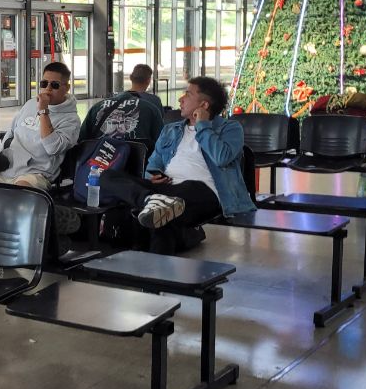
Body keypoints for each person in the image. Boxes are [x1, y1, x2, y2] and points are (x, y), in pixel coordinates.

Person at [98, 76, 255, 255]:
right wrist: (153, 176)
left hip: (203, 191)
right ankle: (150, 202)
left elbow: (221, 157)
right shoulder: (170, 130)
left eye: (188, 94)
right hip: (165, 189)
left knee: (164, 217)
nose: (181, 99)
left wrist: (202, 125)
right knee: (107, 176)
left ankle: (154, 215)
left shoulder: (230, 128)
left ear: (204, 105)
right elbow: (154, 163)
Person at [0, 61, 81, 190]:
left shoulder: (71, 120)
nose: (48, 88)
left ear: (66, 88)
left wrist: (43, 111)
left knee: (19, 194)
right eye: (44, 83)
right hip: (7, 168)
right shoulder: (30, 104)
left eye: (55, 85)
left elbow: (52, 148)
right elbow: (11, 132)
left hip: (36, 173)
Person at [78, 77, 166, 150]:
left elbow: (81, 140)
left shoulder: (97, 107)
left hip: (98, 162)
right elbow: (162, 141)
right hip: (137, 164)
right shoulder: (151, 107)